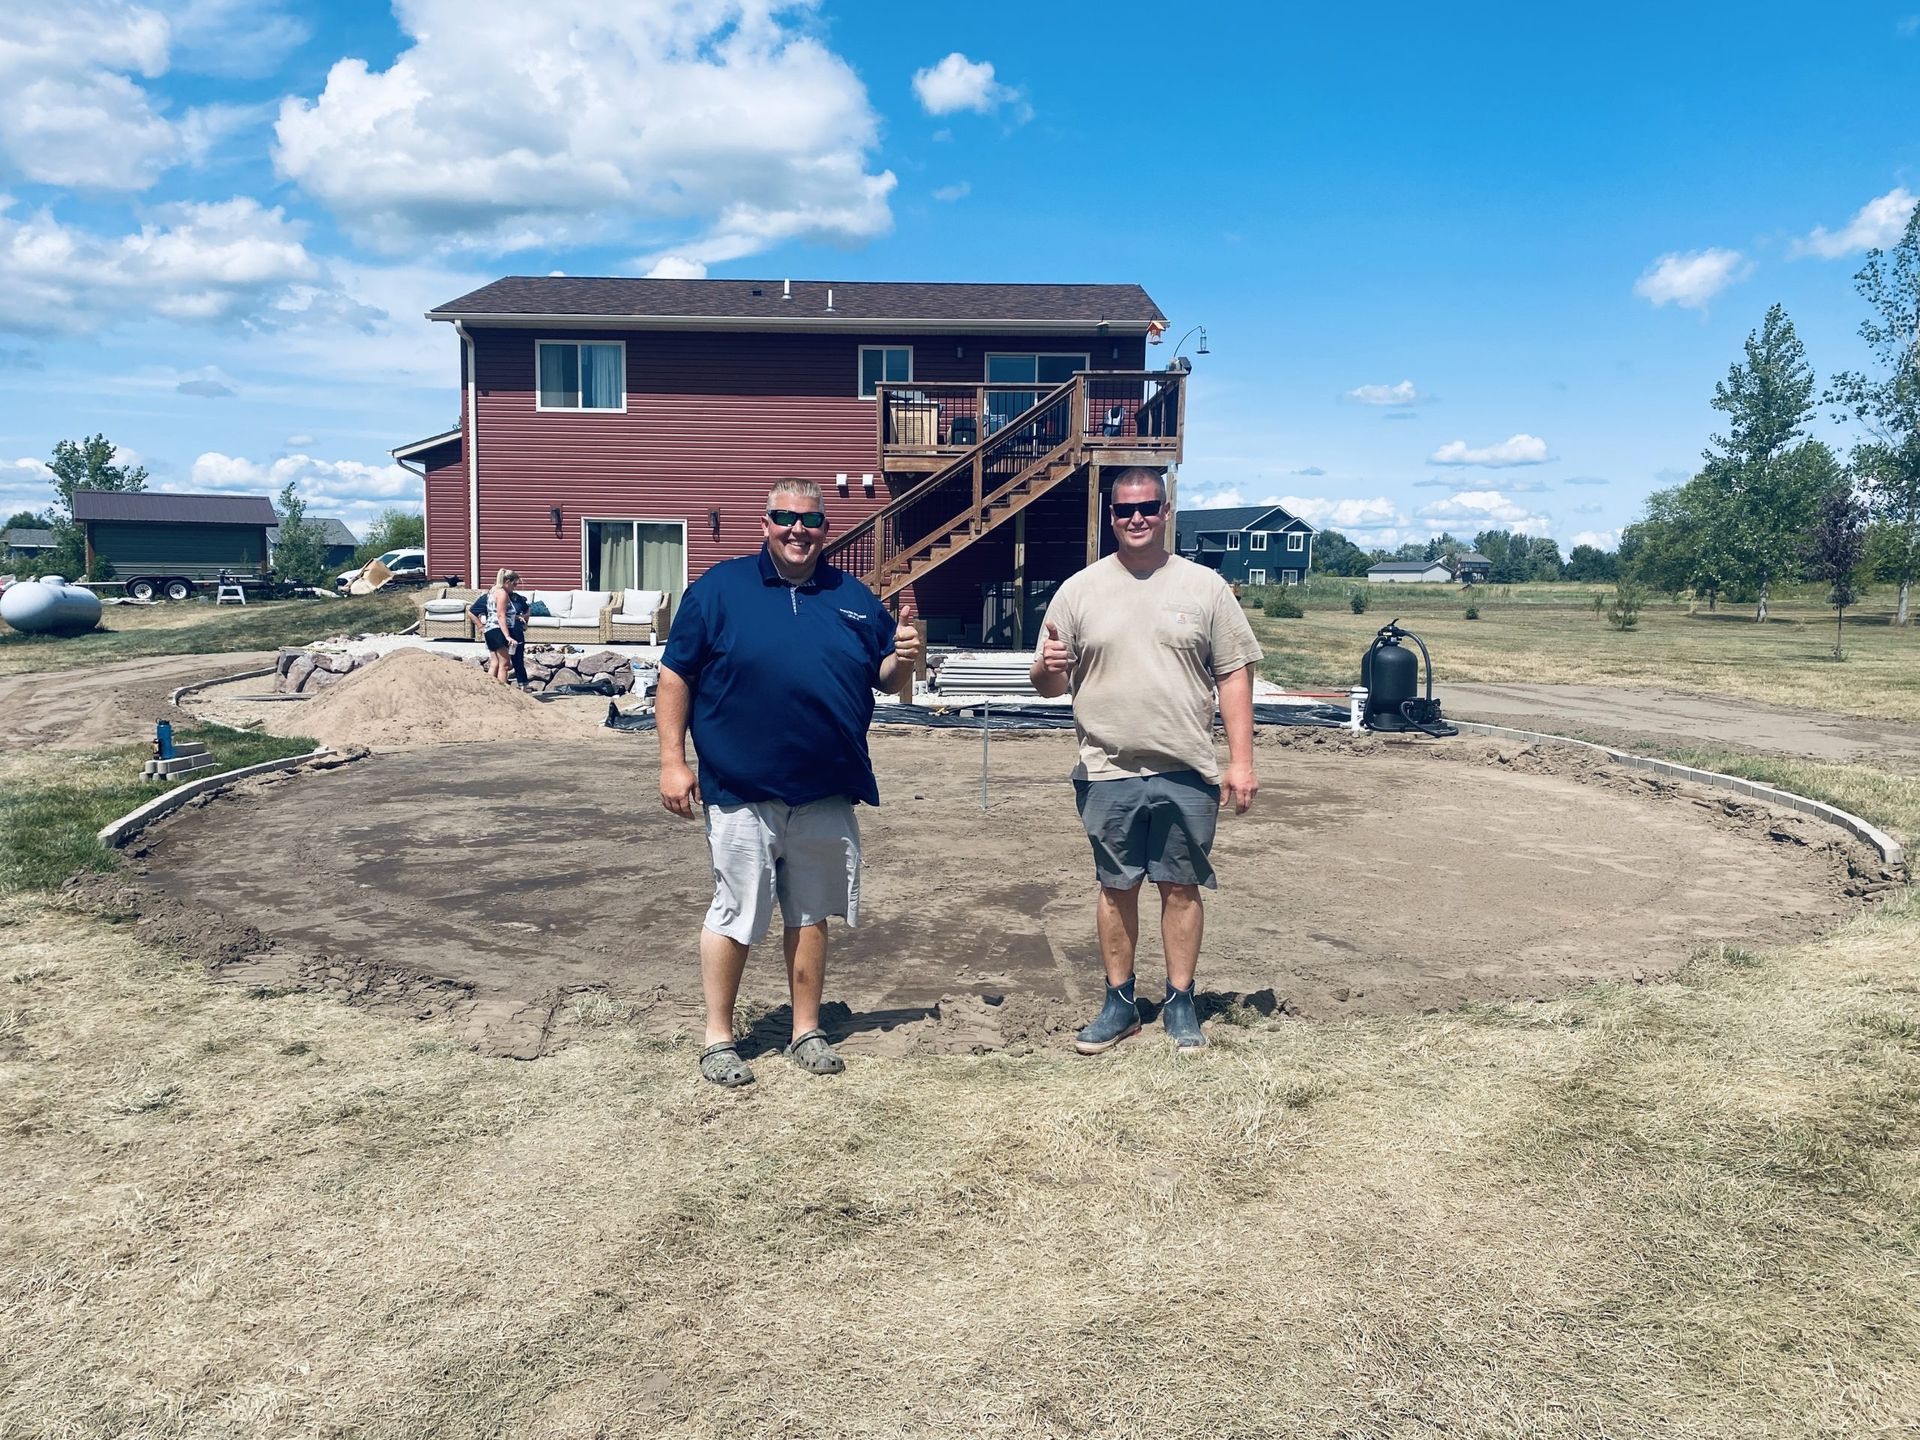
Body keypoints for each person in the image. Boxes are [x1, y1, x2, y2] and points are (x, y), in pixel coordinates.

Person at [657, 479, 921, 1088]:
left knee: (810, 914)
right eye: (785, 518)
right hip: (741, 788)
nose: (798, 530)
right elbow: (675, 677)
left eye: (811, 521)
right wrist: (673, 760)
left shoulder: (853, 598)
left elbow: (886, 677)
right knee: (737, 912)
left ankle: (807, 1031)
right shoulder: (719, 591)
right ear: (765, 522)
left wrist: (905, 654)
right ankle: (718, 1038)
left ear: (827, 528)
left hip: (826, 789)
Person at [1029, 468, 1262, 1054]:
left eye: (1148, 507)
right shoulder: (1078, 592)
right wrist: (1050, 666)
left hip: (1184, 767)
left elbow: (1235, 673)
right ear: (1110, 516)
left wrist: (1241, 761)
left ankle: (1181, 1003)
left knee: (1180, 886)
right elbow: (1046, 686)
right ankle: (1121, 1003)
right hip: (1107, 769)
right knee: (1115, 887)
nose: (1137, 518)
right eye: (1125, 509)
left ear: (1166, 511)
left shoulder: (1205, 588)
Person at [481, 567, 519, 684]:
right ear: (507, 582)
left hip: (489, 630)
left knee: (495, 663)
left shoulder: (493, 591)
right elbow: (501, 615)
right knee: (505, 664)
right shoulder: (502, 594)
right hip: (498, 631)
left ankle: (488, 689)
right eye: (514, 584)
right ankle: (502, 693)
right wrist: (507, 636)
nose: (515, 587)